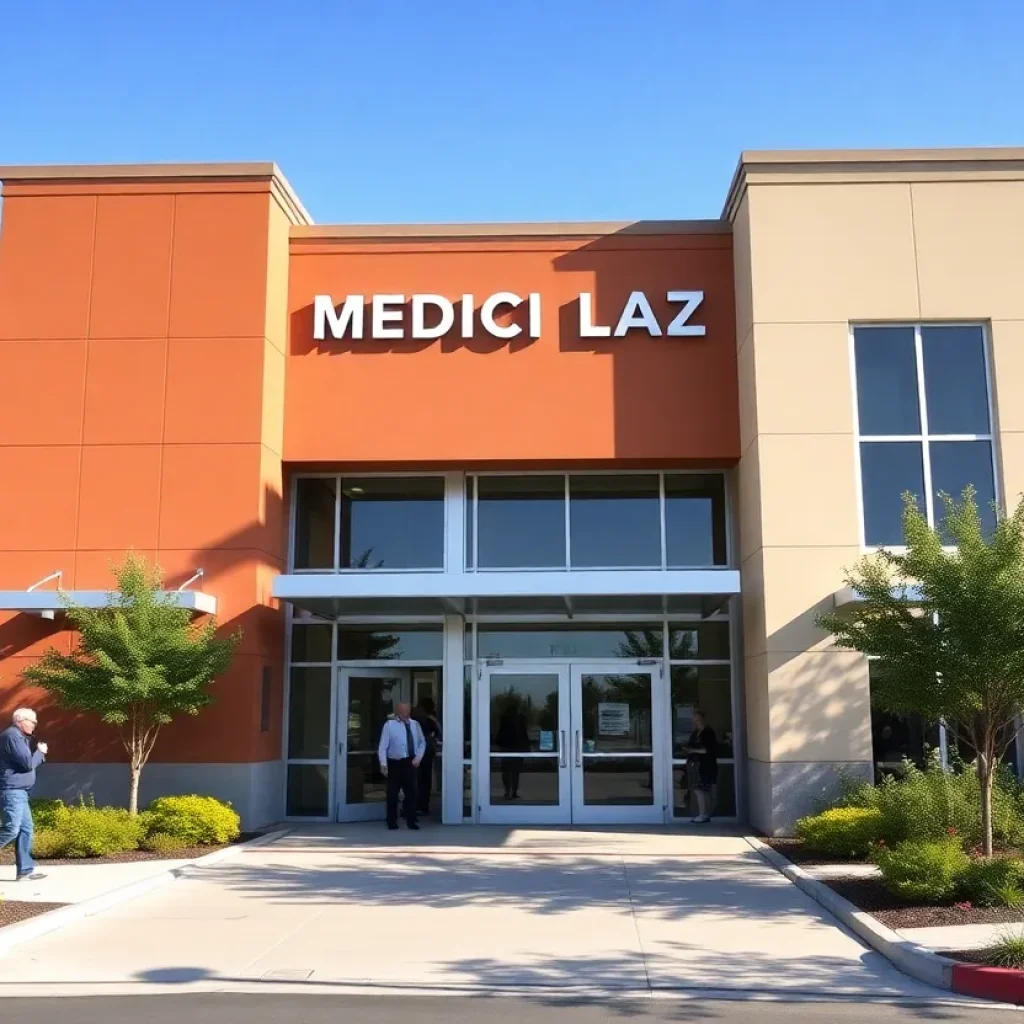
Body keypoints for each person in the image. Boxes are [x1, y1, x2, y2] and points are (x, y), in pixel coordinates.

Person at [0, 708, 48, 880]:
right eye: (32, 721)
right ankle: (25, 869)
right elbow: (28, 764)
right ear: (20, 720)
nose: (35, 725)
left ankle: (25, 870)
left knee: (26, 829)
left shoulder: (19, 737)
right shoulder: (12, 736)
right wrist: (40, 752)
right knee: (11, 829)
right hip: (11, 791)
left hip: (20, 792)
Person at [378, 703, 426, 831]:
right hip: (395, 763)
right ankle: (392, 821)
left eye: (407, 711)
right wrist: (383, 764)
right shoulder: (389, 726)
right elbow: (383, 746)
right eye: (403, 712)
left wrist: (418, 757)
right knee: (392, 793)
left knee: (412, 792)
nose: (406, 714)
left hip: (410, 762)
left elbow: (422, 742)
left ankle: (410, 820)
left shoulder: (415, 724)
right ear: (397, 712)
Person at [685, 709, 718, 824]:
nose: (695, 721)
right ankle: (704, 814)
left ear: (703, 719)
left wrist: (692, 750)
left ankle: (704, 814)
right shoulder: (696, 732)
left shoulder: (708, 732)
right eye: (694, 718)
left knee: (701, 791)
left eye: (697, 718)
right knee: (698, 790)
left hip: (705, 766)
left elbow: (708, 750)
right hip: (695, 765)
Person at [413, 697, 442, 816]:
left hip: (414, 753)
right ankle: (422, 806)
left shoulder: (412, 718)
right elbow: (438, 733)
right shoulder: (429, 719)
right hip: (426, 752)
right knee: (424, 780)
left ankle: (414, 806)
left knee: (414, 780)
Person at [496, 707, 528, 800]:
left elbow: (499, 737)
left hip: (508, 749)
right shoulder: (519, 721)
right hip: (516, 749)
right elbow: (524, 735)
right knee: (514, 772)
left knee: (507, 771)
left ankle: (508, 791)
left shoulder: (505, 721)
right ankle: (512, 791)